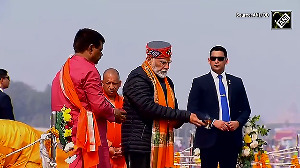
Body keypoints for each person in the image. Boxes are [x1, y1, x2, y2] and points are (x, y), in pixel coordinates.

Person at [122, 41, 205, 168]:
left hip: (160, 143)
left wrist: (183, 118)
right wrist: (185, 116)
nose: (166, 67)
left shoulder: (167, 82)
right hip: (138, 145)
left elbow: (172, 110)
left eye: (168, 63)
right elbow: (148, 108)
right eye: (162, 62)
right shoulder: (137, 78)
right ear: (150, 59)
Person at [51, 28, 126, 168]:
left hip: (64, 133)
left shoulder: (62, 70)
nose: (101, 54)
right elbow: (99, 105)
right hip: (85, 135)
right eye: (100, 49)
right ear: (91, 48)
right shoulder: (89, 70)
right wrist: (114, 113)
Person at [187, 45, 251, 168]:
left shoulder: (237, 82)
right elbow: (193, 109)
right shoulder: (199, 82)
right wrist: (213, 122)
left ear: (226, 61)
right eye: (213, 58)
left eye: (220, 59)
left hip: (231, 139)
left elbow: (246, 109)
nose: (216, 61)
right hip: (208, 139)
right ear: (209, 60)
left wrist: (238, 122)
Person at [103, 68, 127, 168]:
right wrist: (107, 147)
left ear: (120, 84)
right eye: (108, 83)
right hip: (103, 153)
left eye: (114, 83)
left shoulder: (124, 103)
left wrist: (125, 145)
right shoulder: (98, 103)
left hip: (122, 155)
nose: (111, 87)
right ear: (102, 83)